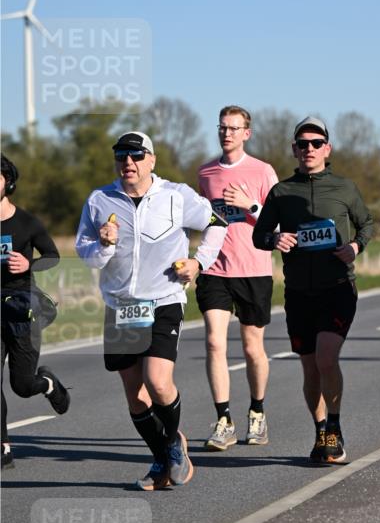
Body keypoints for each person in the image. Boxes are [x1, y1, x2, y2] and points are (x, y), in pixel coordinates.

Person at [75, 131, 226, 490]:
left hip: (163, 299)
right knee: (135, 394)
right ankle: (162, 455)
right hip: (122, 304)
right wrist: (103, 244)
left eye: (137, 155)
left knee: (158, 381)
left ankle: (172, 445)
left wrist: (198, 263)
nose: (129, 162)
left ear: (151, 160)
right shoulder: (100, 200)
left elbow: (217, 225)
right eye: (122, 155)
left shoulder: (176, 196)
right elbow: (86, 254)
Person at [252, 116, 373, 464]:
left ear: (327, 149)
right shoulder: (282, 192)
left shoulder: (345, 187)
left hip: (336, 288)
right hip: (299, 293)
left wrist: (356, 247)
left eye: (315, 143)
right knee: (309, 370)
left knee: (326, 358)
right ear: (294, 149)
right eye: (302, 144)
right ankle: (321, 430)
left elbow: (367, 223)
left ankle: (334, 426)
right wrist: (275, 238)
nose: (309, 149)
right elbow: (259, 235)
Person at [197, 106, 278, 451]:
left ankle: (257, 412)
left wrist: (250, 205)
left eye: (234, 128)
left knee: (251, 347)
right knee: (215, 342)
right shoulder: (206, 173)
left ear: (247, 133)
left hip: (254, 269)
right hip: (215, 269)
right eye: (222, 127)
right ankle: (223, 420)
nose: (226, 133)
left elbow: (277, 224)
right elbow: (204, 217)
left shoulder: (262, 171)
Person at [1, 155, 70, 469]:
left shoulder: (27, 223)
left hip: (20, 309)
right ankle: (3, 447)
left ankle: (48, 384)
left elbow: (53, 255)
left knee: (22, 385)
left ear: (8, 182)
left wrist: (30, 264)